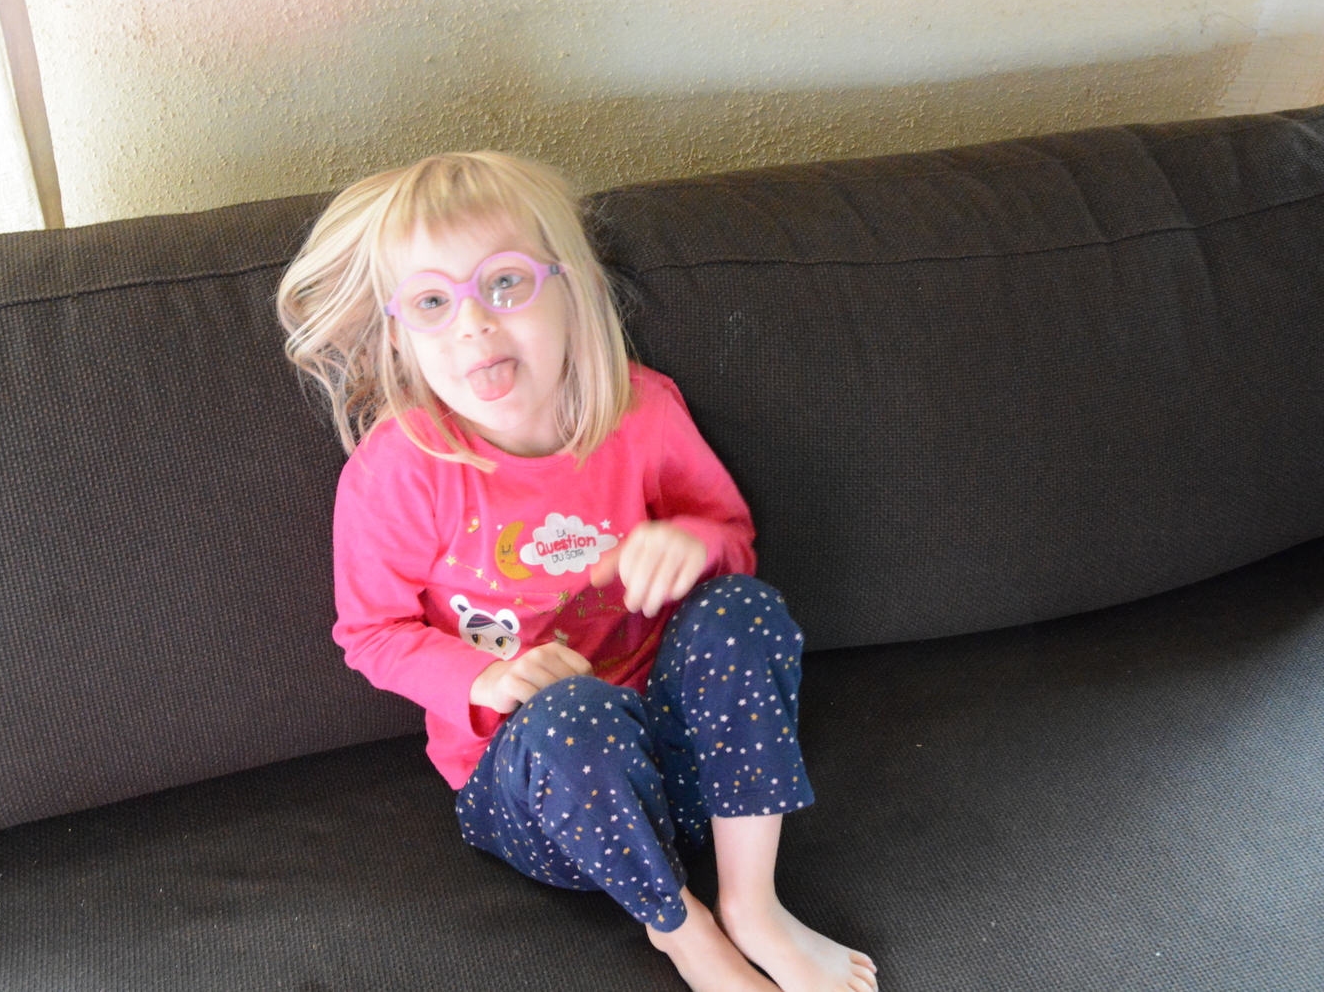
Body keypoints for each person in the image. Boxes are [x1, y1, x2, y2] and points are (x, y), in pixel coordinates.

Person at [276, 151, 877, 992]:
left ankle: (753, 903)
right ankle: (685, 930)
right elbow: (371, 633)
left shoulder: (642, 412)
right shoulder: (401, 471)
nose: (473, 324)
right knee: (570, 714)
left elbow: (732, 541)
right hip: (542, 793)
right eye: (433, 301)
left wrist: (691, 545)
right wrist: (486, 678)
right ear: (398, 331)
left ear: (571, 287)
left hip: (687, 767)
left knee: (744, 607)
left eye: (506, 283)